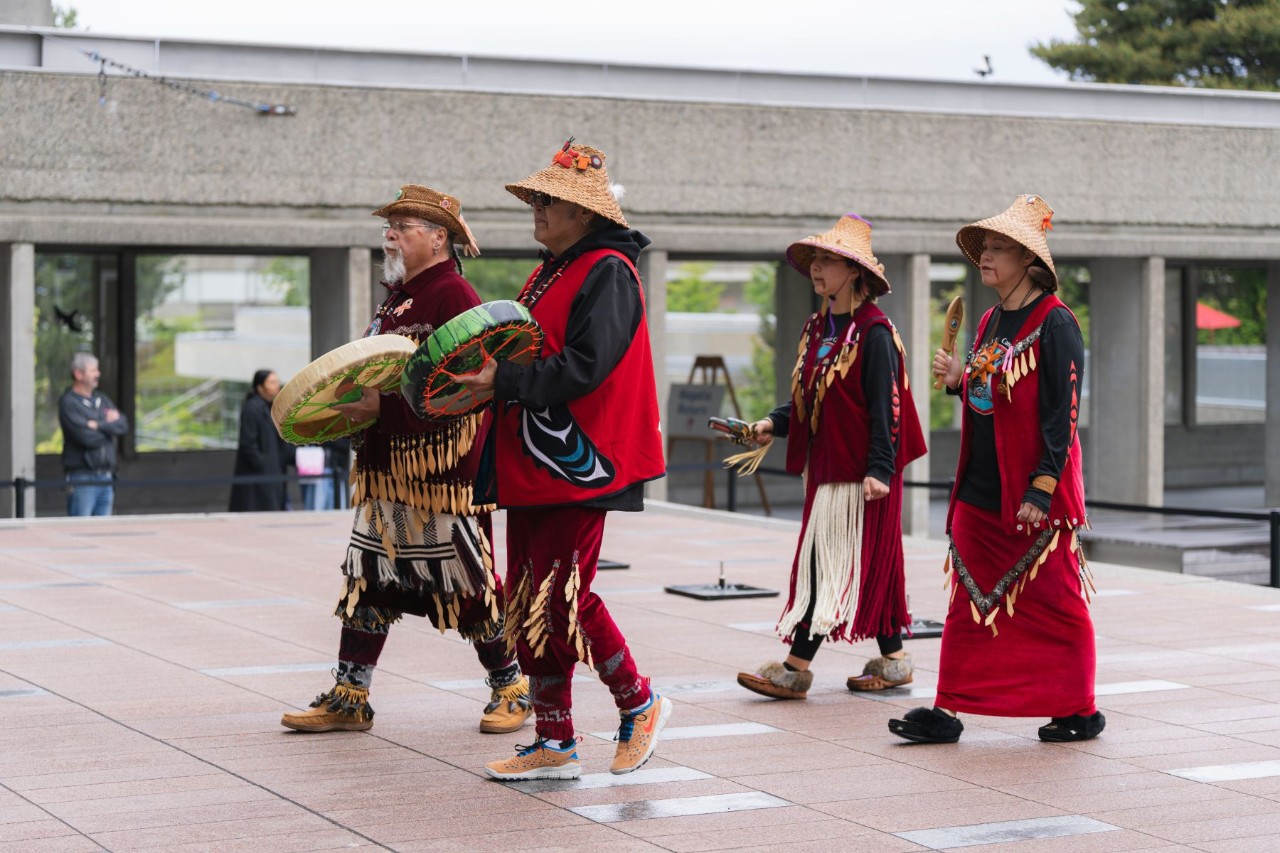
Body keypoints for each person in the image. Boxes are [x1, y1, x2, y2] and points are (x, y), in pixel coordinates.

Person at [280, 184, 531, 736]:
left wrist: (382, 406)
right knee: (370, 576)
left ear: (439, 238)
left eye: (403, 226)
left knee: (469, 582)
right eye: (387, 226)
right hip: (387, 468)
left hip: (439, 476)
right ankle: (350, 696)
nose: (389, 235)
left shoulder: (454, 295)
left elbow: (466, 390)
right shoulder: (395, 298)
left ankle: (513, 686)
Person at [458, 139, 670, 781]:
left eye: (550, 202)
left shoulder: (607, 269)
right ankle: (555, 743)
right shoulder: (553, 268)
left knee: (564, 599)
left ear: (585, 213)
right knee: (528, 596)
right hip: (535, 460)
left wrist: (504, 381)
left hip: (577, 463)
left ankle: (640, 703)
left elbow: (587, 367)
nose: (538, 211)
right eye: (538, 200)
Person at [890, 194, 1102, 744]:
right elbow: (992, 399)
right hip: (981, 488)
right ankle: (948, 708)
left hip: (1035, 493)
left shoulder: (1056, 323)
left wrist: (1043, 485)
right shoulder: (987, 319)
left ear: (1030, 261)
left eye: (999, 248)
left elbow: (1064, 413)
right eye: (985, 247)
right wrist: (962, 379)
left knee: (1056, 604)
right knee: (966, 602)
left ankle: (1078, 708)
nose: (986, 256)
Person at [735, 215, 926, 701]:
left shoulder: (876, 333)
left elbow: (889, 407)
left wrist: (880, 469)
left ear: (854, 272)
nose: (817, 269)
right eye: (815, 260)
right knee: (869, 565)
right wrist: (772, 425)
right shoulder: (818, 327)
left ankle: (796, 668)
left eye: (828, 261)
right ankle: (896, 660)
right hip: (827, 470)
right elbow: (808, 397)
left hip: (861, 474)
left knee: (827, 565)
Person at [59, 352, 130, 516]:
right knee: (81, 532)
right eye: (93, 370)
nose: (98, 374)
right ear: (78, 374)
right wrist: (109, 430)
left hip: (107, 478)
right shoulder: (69, 403)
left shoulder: (102, 399)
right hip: (83, 478)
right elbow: (85, 438)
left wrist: (97, 425)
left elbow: (123, 425)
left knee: (102, 531)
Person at [229, 369, 293, 512]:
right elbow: (248, 443)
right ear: (259, 387)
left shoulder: (272, 407)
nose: (277, 385)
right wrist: (262, 463)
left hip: (272, 471)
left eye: (277, 381)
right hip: (259, 474)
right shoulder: (252, 408)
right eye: (271, 382)